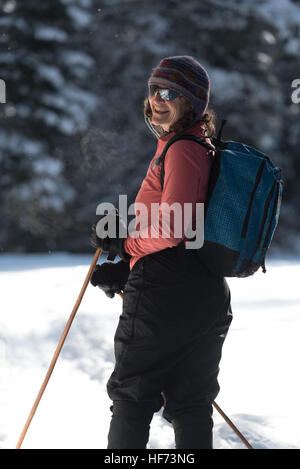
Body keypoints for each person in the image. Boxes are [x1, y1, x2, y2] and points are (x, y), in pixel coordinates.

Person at [90, 56, 233, 449]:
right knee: (190, 402)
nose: (158, 99)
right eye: (154, 89)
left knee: (132, 396)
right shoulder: (199, 147)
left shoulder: (183, 150)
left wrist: (125, 244)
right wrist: (131, 268)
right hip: (200, 291)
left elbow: (174, 226)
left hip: (166, 292)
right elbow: (187, 235)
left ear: (192, 102)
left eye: (170, 93)